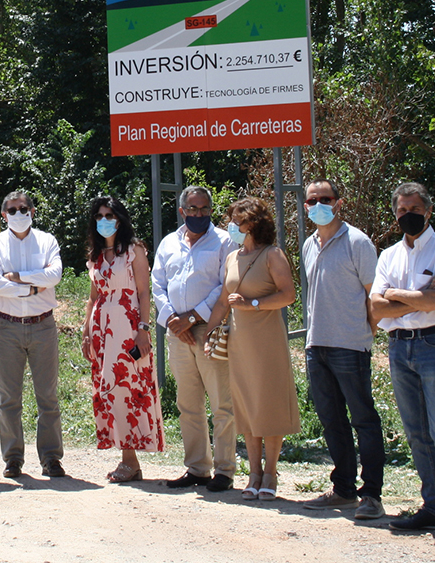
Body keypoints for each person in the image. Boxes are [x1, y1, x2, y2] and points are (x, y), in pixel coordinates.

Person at [370, 182, 435, 542]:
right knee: (417, 433)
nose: (407, 215)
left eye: (414, 209)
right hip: (399, 346)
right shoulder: (389, 256)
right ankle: (432, 507)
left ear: (428, 211)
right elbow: (376, 307)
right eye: (401, 210)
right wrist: (416, 296)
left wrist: (395, 294)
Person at [299, 179, 385, 520]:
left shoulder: (358, 242)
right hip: (316, 344)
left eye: (325, 199)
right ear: (305, 206)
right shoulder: (308, 244)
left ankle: (372, 495)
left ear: (338, 202)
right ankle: (344, 489)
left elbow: (373, 295)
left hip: (350, 345)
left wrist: (367, 333)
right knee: (331, 420)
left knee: (364, 419)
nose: (319, 204)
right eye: (312, 200)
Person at [203, 197, 299, 500]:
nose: (230, 226)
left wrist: (253, 304)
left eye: (236, 220)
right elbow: (222, 301)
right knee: (245, 405)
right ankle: (253, 473)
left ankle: (270, 472)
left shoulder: (273, 255)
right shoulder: (232, 258)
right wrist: (209, 332)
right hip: (239, 342)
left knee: (268, 403)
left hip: (267, 339)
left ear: (253, 224)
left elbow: (288, 295)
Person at [152, 186, 238, 492]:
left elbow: (224, 286)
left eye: (204, 209)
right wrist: (173, 320)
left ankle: (225, 470)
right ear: (182, 211)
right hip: (177, 334)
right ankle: (198, 468)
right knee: (187, 404)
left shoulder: (224, 242)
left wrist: (193, 317)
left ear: (210, 211)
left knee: (221, 403)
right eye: (193, 209)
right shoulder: (168, 244)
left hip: (210, 329)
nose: (198, 214)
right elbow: (158, 284)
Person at [0, 191, 66, 479]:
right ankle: (13, 458)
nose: (18, 214)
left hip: (43, 325)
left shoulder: (47, 241)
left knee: (48, 397)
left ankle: (51, 459)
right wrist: (31, 284)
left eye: (23, 208)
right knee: (9, 398)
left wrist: (15, 277)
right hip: (7, 327)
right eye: (12, 210)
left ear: (32, 210)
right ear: (3, 214)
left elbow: (54, 275)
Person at [81, 196, 164, 483]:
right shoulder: (95, 255)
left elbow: (143, 292)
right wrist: (86, 330)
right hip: (102, 331)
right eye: (100, 216)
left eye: (110, 215)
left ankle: (131, 460)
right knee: (109, 390)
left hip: (127, 327)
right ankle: (127, 458)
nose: (105, 220)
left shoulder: (133, 251)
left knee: (128, 388)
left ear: (120, 218)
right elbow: (93, 296)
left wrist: (143, 328)